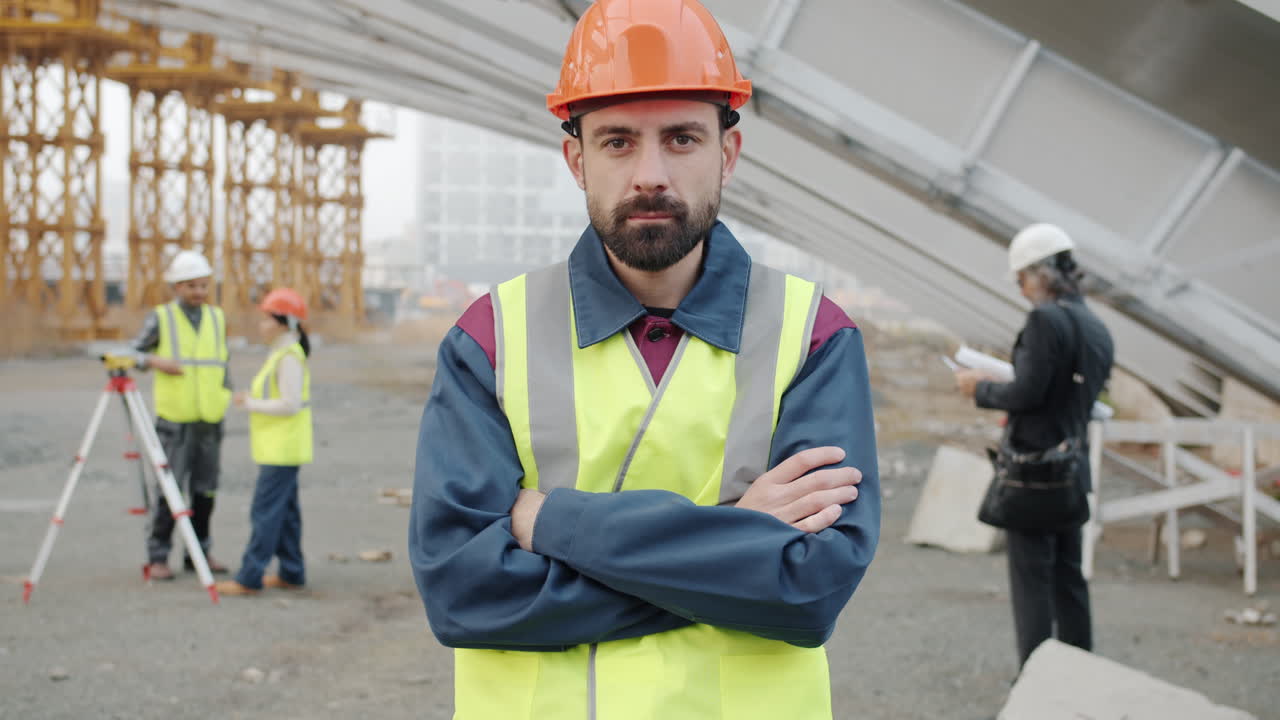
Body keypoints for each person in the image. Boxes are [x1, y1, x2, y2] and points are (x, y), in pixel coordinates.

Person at [408, 1, 880, 717]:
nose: (650, 174)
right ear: (578, 160)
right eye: (618, 141)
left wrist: (554, 525)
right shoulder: (492, 339)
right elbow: (464, 594)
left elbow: (811, 590)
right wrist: (735, 540)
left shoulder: (811, 336)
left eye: (682, 139)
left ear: (727, 154)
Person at [954, 223, 1115, 668]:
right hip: (1072, 471)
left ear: (1041, 274)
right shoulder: (1096, 327)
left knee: (1031, 585)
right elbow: (1065, 395)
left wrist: (979, 388)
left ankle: (1036, 678)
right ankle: (1079, 671)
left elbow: (1028, 392)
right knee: (1069, 579)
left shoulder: (1045, 321)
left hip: (1034, 476)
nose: (1021, 289)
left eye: (1022, 279)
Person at [128, 250, 231, 580]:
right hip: (175, 419)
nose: (199, 292)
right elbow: (133, 353)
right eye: (191, 286)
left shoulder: (217, 318)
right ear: (177, 287)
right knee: (169, 489)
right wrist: (155, 361)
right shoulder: (162, 317)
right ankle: (158, 556)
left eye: (203, 285)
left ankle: (199, 552)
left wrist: (226, 396)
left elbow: (222, 363)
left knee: (206, 490)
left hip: (210, 418)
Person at [215, 289, 313, 597]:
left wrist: (250, 404)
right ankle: (292, 572)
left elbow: (290, 404)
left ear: (284, 323)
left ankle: (249, 576)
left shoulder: (289, 357)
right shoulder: (282, 353)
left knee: (265, 512)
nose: (261, 325)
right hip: (281, 447)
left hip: (282, 449)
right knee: (286, 513)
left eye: (266, 319)